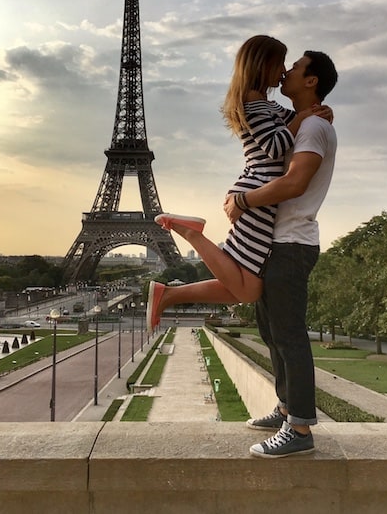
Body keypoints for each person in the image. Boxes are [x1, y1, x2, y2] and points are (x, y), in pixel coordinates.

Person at [147, 35, 332, 332]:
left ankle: (168, 294)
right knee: (247, 290)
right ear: (262, 65)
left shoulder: (266, 106)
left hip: (259, 194)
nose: (284, 70)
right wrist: (303, 119)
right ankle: (191, 235)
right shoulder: (250, 103)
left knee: (244, 284)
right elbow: (276, 144)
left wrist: (316, 113)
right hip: (257, 194)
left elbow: (294, 120)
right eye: (280, 63)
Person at [224, 50, 338, 458]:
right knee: (273, 334)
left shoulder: (313, 129)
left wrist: (243, 201)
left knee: (289, 337)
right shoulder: (299, 122)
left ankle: (301, 430)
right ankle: (288, 407)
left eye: (297, 67)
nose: (287, 70)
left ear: (311, 82)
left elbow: (293, 185)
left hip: (292, 243)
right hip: (276, 241)